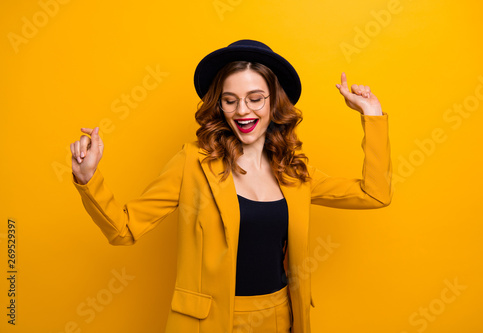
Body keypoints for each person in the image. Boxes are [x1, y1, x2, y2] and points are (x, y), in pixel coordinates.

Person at [70, 39, 393, 333]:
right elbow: (124, 230)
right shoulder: (191, 162)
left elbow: (374, 194)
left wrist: (372, 116)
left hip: (279, 317)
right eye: (230, 100)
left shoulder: (294, 170)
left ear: (273, 103)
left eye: (255, 99)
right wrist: (88, 179)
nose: (242, 111)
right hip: (207, 323)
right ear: (219, 106)